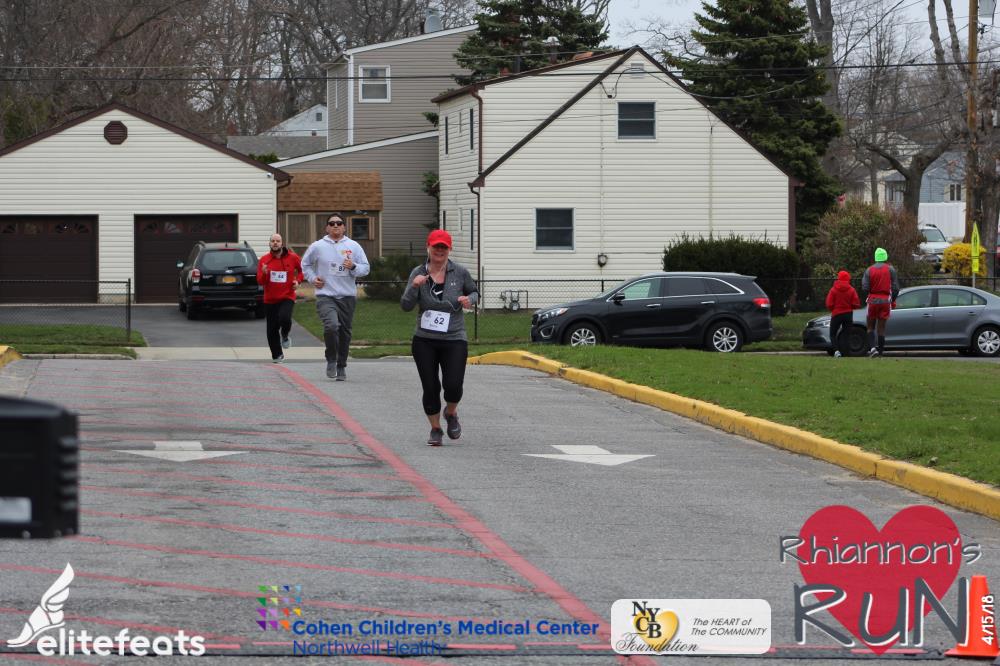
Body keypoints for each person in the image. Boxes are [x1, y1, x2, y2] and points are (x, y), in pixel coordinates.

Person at [400, 229, 480, 446]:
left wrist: (469, 300)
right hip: (425, 339)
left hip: (454, 337)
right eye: (436, 246)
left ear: (449, 249)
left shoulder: (460, 272)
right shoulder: (418, 272)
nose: (439, 251)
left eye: (444, 247)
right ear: (428, 247)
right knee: (431, 386)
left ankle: (451, 412)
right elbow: (406, 306)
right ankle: (435, 429)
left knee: (453, 385)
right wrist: (414, 287)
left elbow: (475, 292)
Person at [301, 213, 370, 380]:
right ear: (327, 227)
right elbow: (305, 264)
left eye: (339, 223)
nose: (335, 226)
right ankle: (331, 359)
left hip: (347, 296)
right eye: (332, 223)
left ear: (344, 227)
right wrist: (313, 278)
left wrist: (353, 266)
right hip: (326, 295)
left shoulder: (353, 246)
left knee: (345, 333)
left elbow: (366, 268)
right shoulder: (318, 246)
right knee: (331, 326)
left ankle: (341, 365)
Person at [257, 233, 303, 363]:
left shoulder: (292, 257)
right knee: (272, 329)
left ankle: (285, 335)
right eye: (273, 241)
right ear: (269, 243)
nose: (275, 243)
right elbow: (260, 281)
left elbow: (302, 270)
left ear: (282, 243)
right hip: (270, 299)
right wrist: (264, 273)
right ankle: (277, 355)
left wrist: (298, 281)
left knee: (285, 318)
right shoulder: (264, 260)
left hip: (287, 296)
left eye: (278, 241)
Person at [862, 247, 900, 358]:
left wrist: (871, 294)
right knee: (881, 328)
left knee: (870, 326)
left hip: (872, 300)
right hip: (885, 301)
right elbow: (896, 288)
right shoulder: (890, 269)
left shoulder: (869, 270)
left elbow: (865, 287)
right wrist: (892, 299)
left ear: (875, 257)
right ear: (885, 257)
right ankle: (881, 353)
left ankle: (872, 348)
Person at [825, 270, 860, 358]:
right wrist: (851, 307)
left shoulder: (833, 290)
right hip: (848, 314)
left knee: (833, 334)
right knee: (846, 335)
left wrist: (833, 309)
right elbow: (856, 304)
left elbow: (829, 304)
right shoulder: (851, 290)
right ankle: (846, 353)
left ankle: (836, 351)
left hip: (837, 313)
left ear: (838, 278)